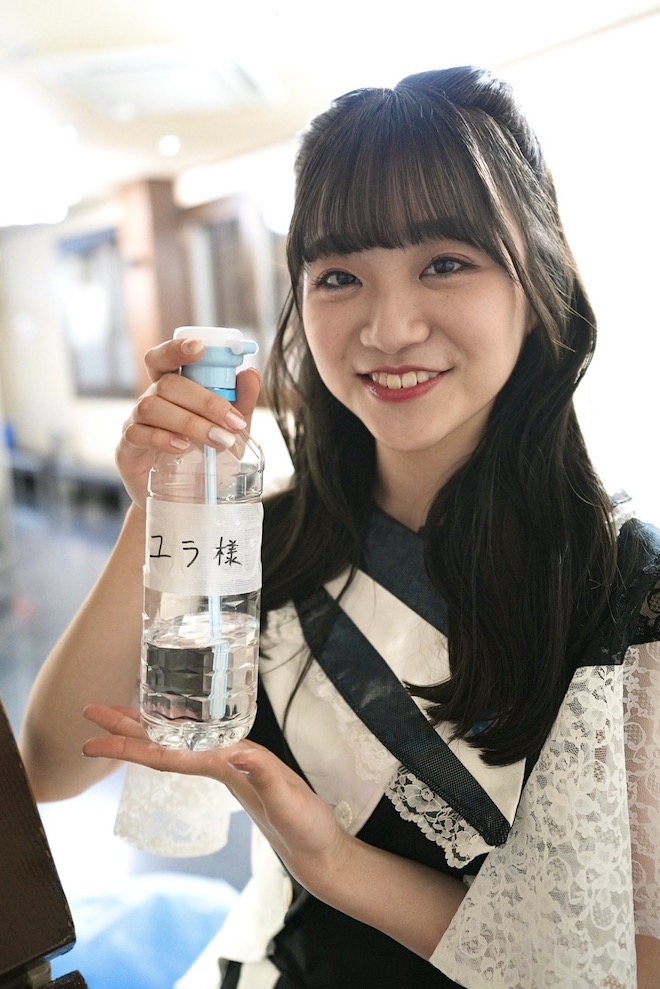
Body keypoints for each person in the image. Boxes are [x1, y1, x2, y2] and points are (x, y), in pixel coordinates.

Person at [20, 66, 660, 988]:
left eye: (446, 263)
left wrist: (335, 865)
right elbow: (50, 765)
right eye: (340, 276)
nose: (389, 327)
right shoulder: (263, 543)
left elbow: (636, 964)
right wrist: (158, 510)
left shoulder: (626, 591)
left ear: (538, 282)